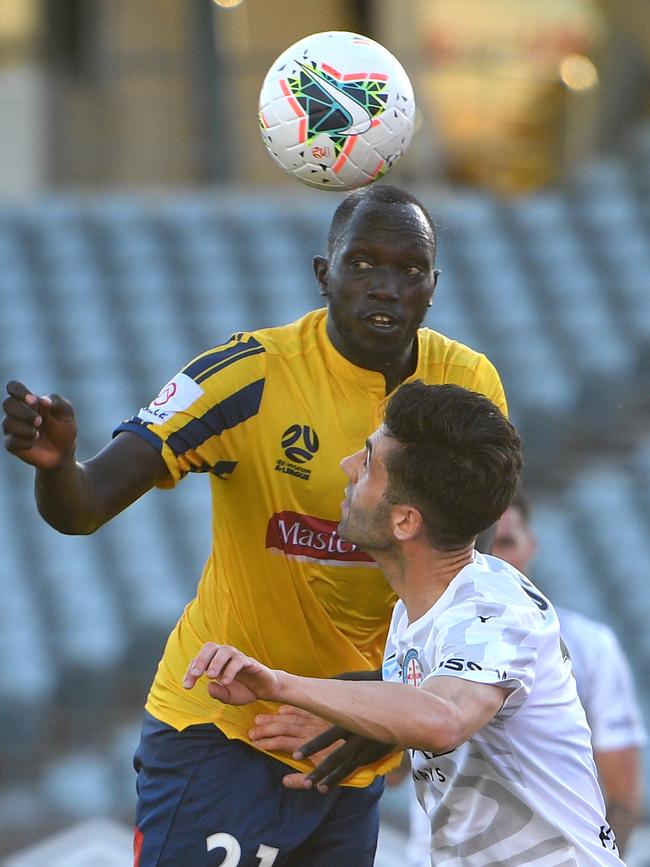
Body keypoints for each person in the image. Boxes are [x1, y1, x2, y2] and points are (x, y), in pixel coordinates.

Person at [1, 185, 508, 867]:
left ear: (433, 286)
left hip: (348, 744)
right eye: (362, 264)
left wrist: (380, 712)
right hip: (222, 730)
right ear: (323, 274)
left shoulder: (467, 387)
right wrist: (57, 464)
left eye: (409, 269)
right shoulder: (248, 375)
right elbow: (85, 504)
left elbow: (474, 578)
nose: (386, 287)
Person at [184, 382, 624, 866]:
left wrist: (280, 684)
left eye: (369, 461)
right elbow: (422, 721)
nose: (347, 467)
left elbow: (444, 719)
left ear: (405, 522)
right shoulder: (415, 612)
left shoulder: (493, 609)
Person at [402, 494, 646, 865]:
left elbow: (621, 793)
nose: (494, 556)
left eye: (506, 542)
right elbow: (388, 773)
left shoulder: (590, 645)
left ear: (532, 547)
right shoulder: (412, 634)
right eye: (483, 544)